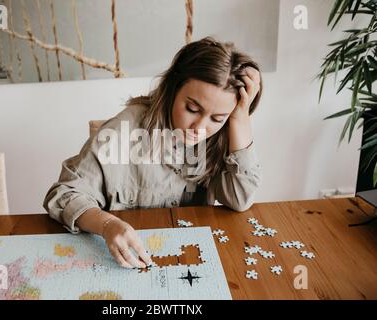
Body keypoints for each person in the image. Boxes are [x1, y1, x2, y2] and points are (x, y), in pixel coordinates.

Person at [43, 36, 263, 270]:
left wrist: (240, 119)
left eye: (217, 118)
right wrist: (107, 225)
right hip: (122, 260)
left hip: (186, 260)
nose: (199, 128)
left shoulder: (222, 136)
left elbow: (240, 199)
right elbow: (64, 194)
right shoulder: (124, 129)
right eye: (192, 109)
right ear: (172, 89)